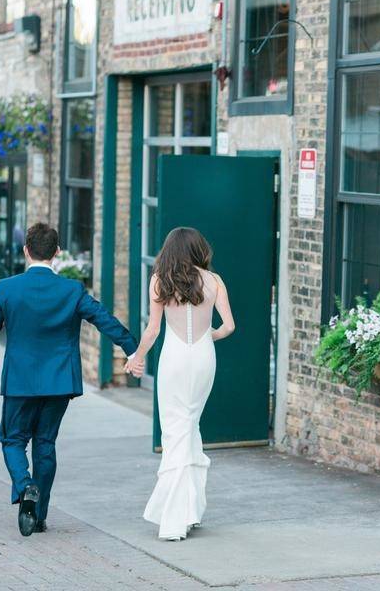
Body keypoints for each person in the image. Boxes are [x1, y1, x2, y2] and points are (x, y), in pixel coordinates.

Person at [0, 223, 138, 536]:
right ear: (57, 253)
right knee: (45, 444)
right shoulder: (72, 290)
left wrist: (0, 319)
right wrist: (132, 350)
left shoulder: (6, 287)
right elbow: (104, 320)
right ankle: (38, 516)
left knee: (12, 440)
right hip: (59, 382)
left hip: (19, 382)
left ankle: (25, 487)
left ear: (26, 251)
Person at [124, 227, 235, 541]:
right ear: (200, 249)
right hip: (203, 358)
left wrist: (136, 358)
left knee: (176, 431)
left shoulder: (160, 280)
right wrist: (206, 338)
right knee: (190, 427)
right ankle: (191, 511)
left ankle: (174, 519)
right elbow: (228, 326)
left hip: (173, 359)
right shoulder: (214, 281)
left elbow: (152, 331)